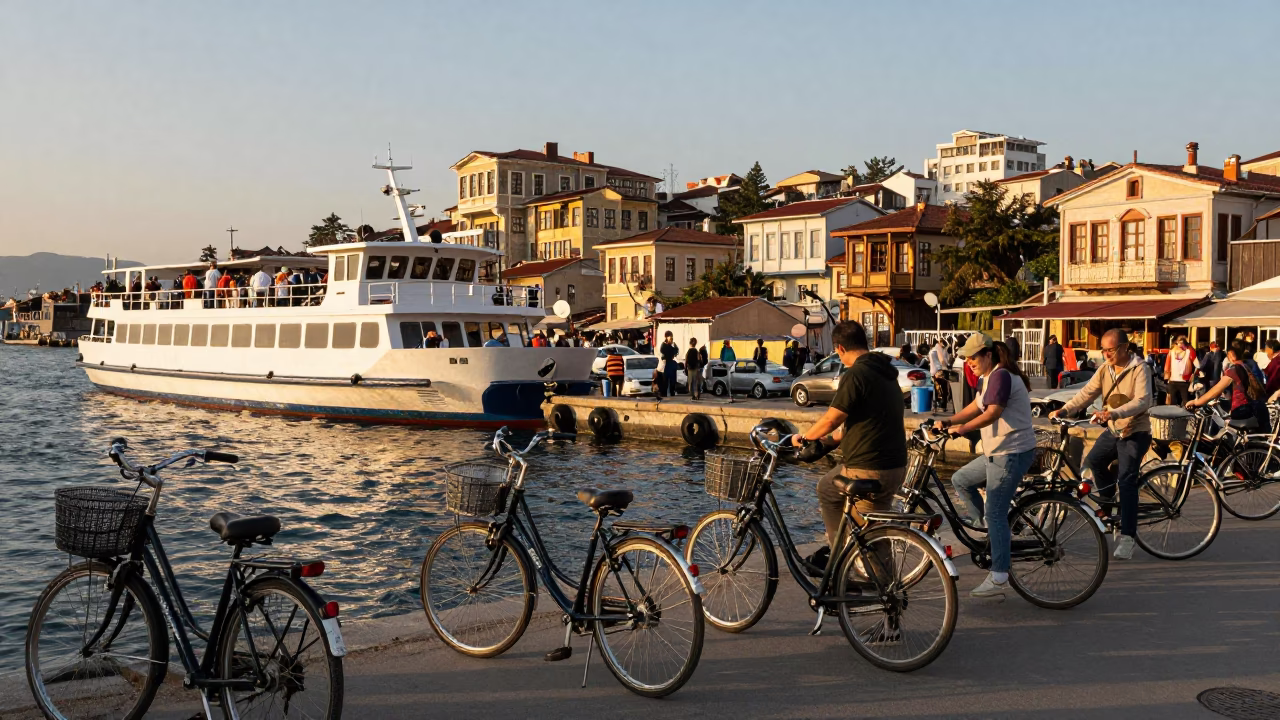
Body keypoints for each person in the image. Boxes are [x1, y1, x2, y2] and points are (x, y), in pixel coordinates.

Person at [789, 320, 907, 573]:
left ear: (840, 349)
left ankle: (847, 564)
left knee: (858, 521)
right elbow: (860, 423)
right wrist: (829, 443)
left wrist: (805, 438)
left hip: (868, 467)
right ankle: (866, 572)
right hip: (894, 465)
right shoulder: (885, 373)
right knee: (867, 518)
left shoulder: (856, 374)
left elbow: (832, 418)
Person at [939, 334, 1037, 598]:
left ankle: (999, 576)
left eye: (972, 358)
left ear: (988, 355)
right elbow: (975, 406)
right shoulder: (987, 377)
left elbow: (992, 412)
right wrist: (948, 422)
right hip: (996, 453)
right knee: (961, 480)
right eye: (966, 358)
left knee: (995, 512)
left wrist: (962, 430)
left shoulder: (1002, 376)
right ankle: (990, 532)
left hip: (1011, 452)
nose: (968, 363)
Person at [1050, 328, 1153, 561]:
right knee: (1093, 462)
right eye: (1104, 350)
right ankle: (1108, 509)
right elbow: (1086, 393)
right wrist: (1065, 409)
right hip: (1114, 430)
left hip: (1135, 431)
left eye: (1111, 350)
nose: (1107, 355)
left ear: (1126, 347)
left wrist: (1113, 413)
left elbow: (1143, 400)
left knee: (1127, 480)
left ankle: (1128, 537)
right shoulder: (1105, 369)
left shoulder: (1140, 368)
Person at [1187, 341, 1271, 433]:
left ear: (1231, 354)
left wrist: (1197, 402)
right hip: (1257, 409)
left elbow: (1216, 390)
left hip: (1242, 409)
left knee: (1226, 437)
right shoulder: (1248, 365)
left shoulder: (1233, 370)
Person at [1163, 335, 1197, 407]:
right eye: (1178, 343)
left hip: (1180, 380)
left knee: (1180, 402)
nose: (1180, 346)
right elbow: (1167, 366)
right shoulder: (1173, 352)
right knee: (1182, 402)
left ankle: (1178, 416)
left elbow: (1167, 367)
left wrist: (1166, 378)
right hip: (1178, 380)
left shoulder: (1188, 351)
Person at [659, 331, 680, 396]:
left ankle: (672, 392)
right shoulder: (663, 345)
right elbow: (664, 354)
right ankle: (664, 393)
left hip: (670, 363)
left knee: (672, 380)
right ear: (666, 337)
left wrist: (673, 345)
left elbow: (676, 351)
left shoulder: (671, 345)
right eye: (670, 337)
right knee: (665, 381)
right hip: (666, 364)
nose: (671, 338)